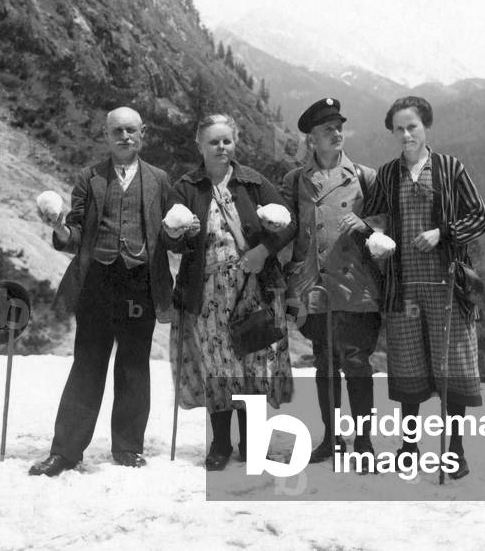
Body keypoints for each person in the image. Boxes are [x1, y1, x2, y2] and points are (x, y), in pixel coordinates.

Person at [29, 107, 174, 477]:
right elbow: (75, 233)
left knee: (134, 366)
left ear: (143, 133)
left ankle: (127, 448)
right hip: (97, 281)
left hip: (140, 282)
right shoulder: (89, 177)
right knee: (87, 364)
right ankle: (65, 452)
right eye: (117, 131)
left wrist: (180, 232)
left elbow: (170, 234)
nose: (124, 137)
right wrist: (60, 228)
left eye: (131, 130)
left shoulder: (159, 180)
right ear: (106, 135)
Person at [363, 96, 485, 480]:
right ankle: (409, 447)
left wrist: (443, 232)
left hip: (447, 286)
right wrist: (377, 237)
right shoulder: (387, 175)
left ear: (426, 126)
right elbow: (373, 218)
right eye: (399, 129)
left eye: (412, 127)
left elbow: (480, 217)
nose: (406, 135)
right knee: (409, 369)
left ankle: (455, 451)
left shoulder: (450, 169)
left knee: (453, 369)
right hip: (403, 288)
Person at [164, 114, 295, 471]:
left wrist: (262, 251)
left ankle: (251, 443)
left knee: (254, 364)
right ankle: (220, 443)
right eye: (213, 142)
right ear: (200, 145)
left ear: (235, 142)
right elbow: (170, 238)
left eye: (227, 141)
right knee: (217, 367)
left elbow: (289, 223)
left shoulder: (253, 182)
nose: (221, 147)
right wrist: (177, 234)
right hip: (206, 294)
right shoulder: (187, 187)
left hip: (254, 288)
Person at [280, 98, 382, 466]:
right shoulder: (295, 180)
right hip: (314, 287)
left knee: (357, 363)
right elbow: (286, 229)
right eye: (327, 129)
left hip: (355, 285)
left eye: (338, 127)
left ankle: (364, 441)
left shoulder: (366, 177)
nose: (337, 133)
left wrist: (367, 226)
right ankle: (331, 438)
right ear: (312, 139)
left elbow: (384, 224)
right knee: (324, 364)